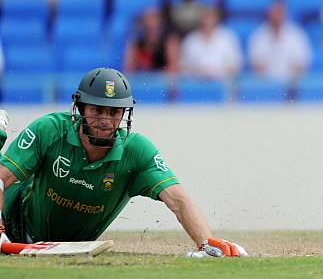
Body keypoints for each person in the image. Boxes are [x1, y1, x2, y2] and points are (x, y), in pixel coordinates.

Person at [0, 68, 247, 258]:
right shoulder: (49, 130)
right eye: (97, 110)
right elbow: (3, 178)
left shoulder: (136, 151)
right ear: (81, 108)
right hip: (13, 227)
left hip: (70, 245)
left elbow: (178, 199)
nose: (105, 120)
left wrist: (206, 244)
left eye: (114, 112)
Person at [248, 1, 312, 84]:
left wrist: (287, 78)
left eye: (280, 13)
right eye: (274, 13)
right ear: (269, 15)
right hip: (265, 84)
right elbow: (255, 63)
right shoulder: (258, 35)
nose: (277, 16)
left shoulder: (297, 34)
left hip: (291, 85)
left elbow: (303, 62)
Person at [181, 6, 243, 80]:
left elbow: (236, 64)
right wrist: (201, 71)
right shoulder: (191, 39)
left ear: (216, 19)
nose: (208, 20)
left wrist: (216, 72)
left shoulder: (228, 37)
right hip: (197, 83)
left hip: (222, 83)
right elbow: (183, 65)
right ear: (200, 19)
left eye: (211, 17)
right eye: (206, 17)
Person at [123, 7, 181, 73]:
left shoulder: (169, 40)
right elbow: (129, 67)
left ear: (160, 20)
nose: (152, 22)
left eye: (155, 18)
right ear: (143, 21)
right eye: (149, 18)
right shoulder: (136, 41)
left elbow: (173, 66)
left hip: (162, 78)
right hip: (142, 79)